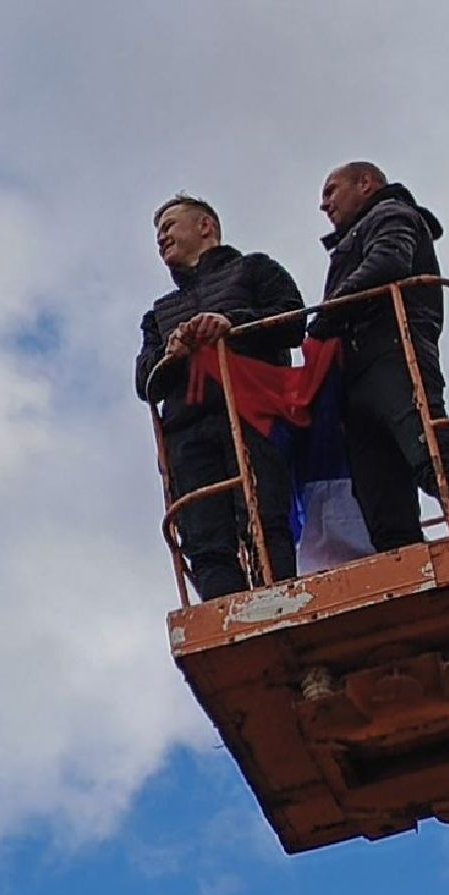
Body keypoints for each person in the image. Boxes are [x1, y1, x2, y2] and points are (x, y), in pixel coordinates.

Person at [307, 161, 449, 552]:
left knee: (427, 451)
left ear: (366, 183)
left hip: (393, 351)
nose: (324, 205)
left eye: (331, 190)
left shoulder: (391, 214)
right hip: (361, 368)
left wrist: (327, 315)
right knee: (379, 485)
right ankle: (401, 553)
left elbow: (388, 263)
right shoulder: (357, 235)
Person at [135, 195, 306, 600]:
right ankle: (226, 612)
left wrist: (232, 324)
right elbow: (145, 382)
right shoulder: (159, 313)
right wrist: (170, 354)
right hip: (188, 431)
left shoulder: (254, 269)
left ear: (205, 226)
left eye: (169, 225)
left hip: (253, 413)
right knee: (204, 536)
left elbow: (293, 319)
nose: (161, 237)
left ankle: (280, 600)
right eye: (158, 232)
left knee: (264, 515)